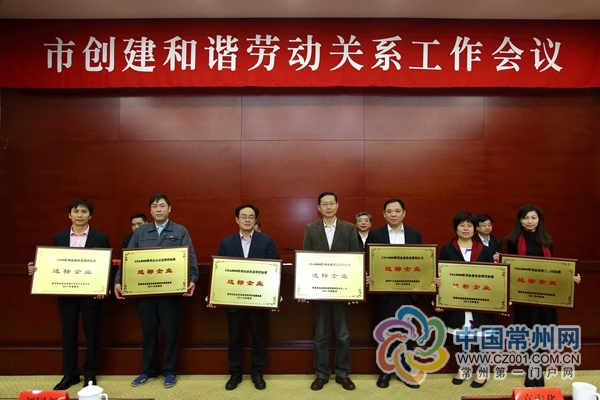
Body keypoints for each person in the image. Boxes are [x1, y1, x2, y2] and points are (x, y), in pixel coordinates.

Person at [114, 193, 198, 389]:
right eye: (154, 206)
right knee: (148, 333)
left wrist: (193, 279)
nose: (158, 209)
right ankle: (148, 370)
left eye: (162, 205)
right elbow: (127, 259)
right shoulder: (141, 232)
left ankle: (170, 371)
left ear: (169, 209)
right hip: (145, 294)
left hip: (170, 294)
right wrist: (118, 281)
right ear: (150, 210)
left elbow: (190, 259)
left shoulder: (180, 230)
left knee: (171, 333)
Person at [27, 199, 110, 390]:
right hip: (67, 295)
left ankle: (90, 373)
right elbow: (53, 264)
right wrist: (37, 269)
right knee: (69, 334)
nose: (80, 215)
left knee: (92, 335)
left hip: (91, 296)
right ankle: (70, 374)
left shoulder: (100, 237)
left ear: (90, 215)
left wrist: (102, 288)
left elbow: (104, 265)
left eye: (84, 211)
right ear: (69, 215)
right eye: (76, 211)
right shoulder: (59, 238)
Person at [505, 204, 581, 388]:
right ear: (520, 220)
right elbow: (511, 267)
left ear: (539, 219)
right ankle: (529, 369)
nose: (529, 221)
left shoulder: (548, 239)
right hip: (524, 295)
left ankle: (537, 369)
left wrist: (570, 277)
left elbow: (553, 268)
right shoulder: (512, 240)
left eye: (533, 217)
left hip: (545, 296)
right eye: (525, 218)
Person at [212, 204, 280, 391]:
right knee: (234, 338)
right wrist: (215, 293)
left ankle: (257, 372)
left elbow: (274, 268)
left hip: (258, 299)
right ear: (237, 220)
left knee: (258, 337)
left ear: (256, 219)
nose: (247, 220)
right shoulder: (227, 242)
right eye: (243, 216)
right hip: (234, 300)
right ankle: (235, 373)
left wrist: (275, 293)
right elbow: (221, 271)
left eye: (251, 216)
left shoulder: (266, 241)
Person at [300, 191, 360, 391]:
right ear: (319, 208)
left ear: (337, 205)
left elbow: (356, 258)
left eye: (331, 203)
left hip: (343, 291)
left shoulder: (349, 228)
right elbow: (306, 259)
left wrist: (355, 290)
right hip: (319, 291)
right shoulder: (311, 229)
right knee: (321, 334)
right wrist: (304, 289)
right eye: (324, 204)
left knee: (343, 335)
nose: (328, 207)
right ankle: (322, 373)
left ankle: (343, 373)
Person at [365, 198, 423, 389]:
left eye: (397, 211)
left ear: (404, 213)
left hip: (409, 292)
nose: (393, 214)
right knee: (386, 333)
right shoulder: (375, 235)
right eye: (389, 211)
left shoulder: (414, 234)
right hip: (385, 292)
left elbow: (422, 262)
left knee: (408, 332)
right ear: (384, 214)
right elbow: (369, 261)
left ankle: (405, 371)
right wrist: (368, 276)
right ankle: (385, 371)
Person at [435, 211, 495, 389]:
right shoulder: (447, 249)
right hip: (457, 300)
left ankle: (482, 371)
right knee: (461, 337)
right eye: (462, 225)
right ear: (456, 228)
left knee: (481, 338)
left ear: (475, 229)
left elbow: (493, 277)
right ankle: (464, 368)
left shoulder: (485, 250)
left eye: (469, 225)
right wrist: (438, 295)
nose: (466, 228)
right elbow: (440, 274)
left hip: (480, 302)